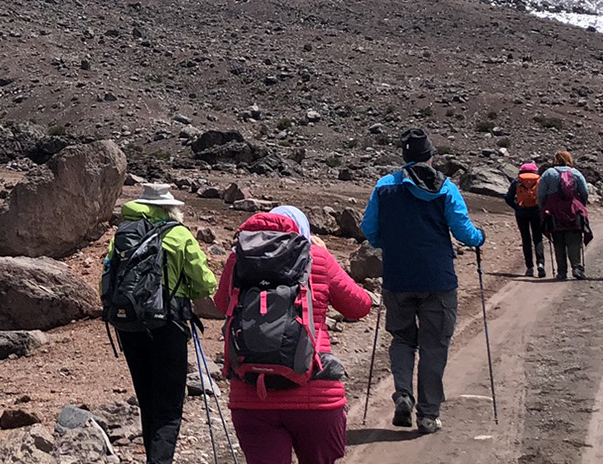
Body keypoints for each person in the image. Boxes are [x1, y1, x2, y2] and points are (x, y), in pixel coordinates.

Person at [220, 205, 371, 464]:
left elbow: (223, 305)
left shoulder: (238, 259)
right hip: (315, 393)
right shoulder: (317, 257)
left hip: (252, 394)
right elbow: (359, 306)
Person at [359, 129, 484, 436]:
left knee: (402, 339)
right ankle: (428, 415)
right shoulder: (446, 188)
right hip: (438, 279)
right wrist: (480, 238)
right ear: (431, 156)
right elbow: (464, 232)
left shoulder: (384, 186)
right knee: (434, 346)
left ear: (403, 157)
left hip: (398, 277)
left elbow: (369, 229)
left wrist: (387, 242)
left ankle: (403, 393)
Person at [106, 184, 218, 464]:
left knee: (147, 399)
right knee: (168, 406)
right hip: (169, 326)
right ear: (171, 208)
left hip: (129, 325)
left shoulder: (123, 234)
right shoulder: (179, 235)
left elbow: (108, 277)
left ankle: (153, 458)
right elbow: (205, 282)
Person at [537, 151, 591, 281]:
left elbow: (540, 194)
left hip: (554, 212)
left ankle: (561, 272)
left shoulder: (548, 173)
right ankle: (577, 268)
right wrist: (581, 205)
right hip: (573, 210)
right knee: (574, 240)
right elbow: (585, 192)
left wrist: (543, 208)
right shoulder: (575, 173)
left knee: (558, 241)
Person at [506, 161, 547, 277]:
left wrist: (516, 206)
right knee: (538, 237)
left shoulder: (517, 181)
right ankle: (541, 264)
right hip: (537, 211)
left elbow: (508, 197)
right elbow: (544, 196)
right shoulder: (539, 180)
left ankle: (529, 267)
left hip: (521, 212)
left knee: (526, 239)